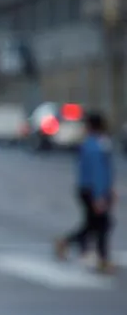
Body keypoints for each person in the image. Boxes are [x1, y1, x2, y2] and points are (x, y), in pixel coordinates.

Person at [56, 111, 116, 274]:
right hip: (93, 191)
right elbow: (98, 173)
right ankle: (103, 259)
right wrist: (99, 196)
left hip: (87, 189)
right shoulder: (97, 145)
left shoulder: (89, 143)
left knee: (92, 224)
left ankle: (66, 242)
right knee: (101, 224)